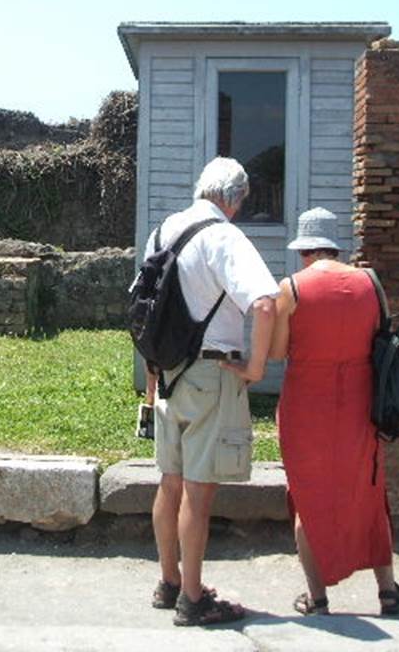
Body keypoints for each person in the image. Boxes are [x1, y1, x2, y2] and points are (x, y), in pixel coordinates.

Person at [144, 157, 278, 626]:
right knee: (199, 494)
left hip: (167, 373)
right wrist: (256, 368)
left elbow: (147, 309)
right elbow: (264, 304)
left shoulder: (164, 231)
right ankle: (194, 600)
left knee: (169, 480)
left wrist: (152, 376)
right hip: (209, 372)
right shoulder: (224, 236)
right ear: (235, 198)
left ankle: (169, 582)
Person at [265, 206, 399, 616]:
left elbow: (277, 353)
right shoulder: (370, 282)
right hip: (361, 401)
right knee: (369, 490)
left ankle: (318, 598)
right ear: (335, 246)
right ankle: (387, 592)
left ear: (304, 250)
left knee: (308, 496)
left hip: (306, 403)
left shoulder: (290, 288)